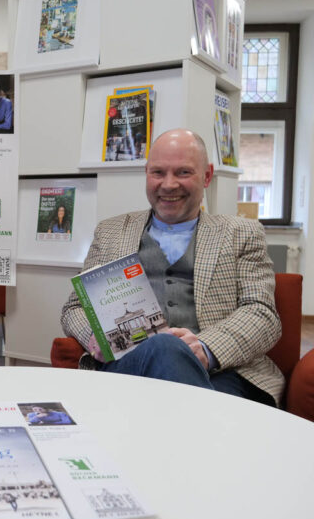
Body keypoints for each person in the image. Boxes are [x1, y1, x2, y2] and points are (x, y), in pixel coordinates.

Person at [61, 128, 284, 407]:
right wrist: (93, 335)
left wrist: (205, 348)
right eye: (158, 173)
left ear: (207, 176)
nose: (168, 184)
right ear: (146, 173)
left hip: (219, 372)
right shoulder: (111, 232)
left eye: (183, 172)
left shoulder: (242, 233)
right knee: (165, 350)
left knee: (168, 358)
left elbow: (262, 313)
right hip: (128, 368)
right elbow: (74, 308)